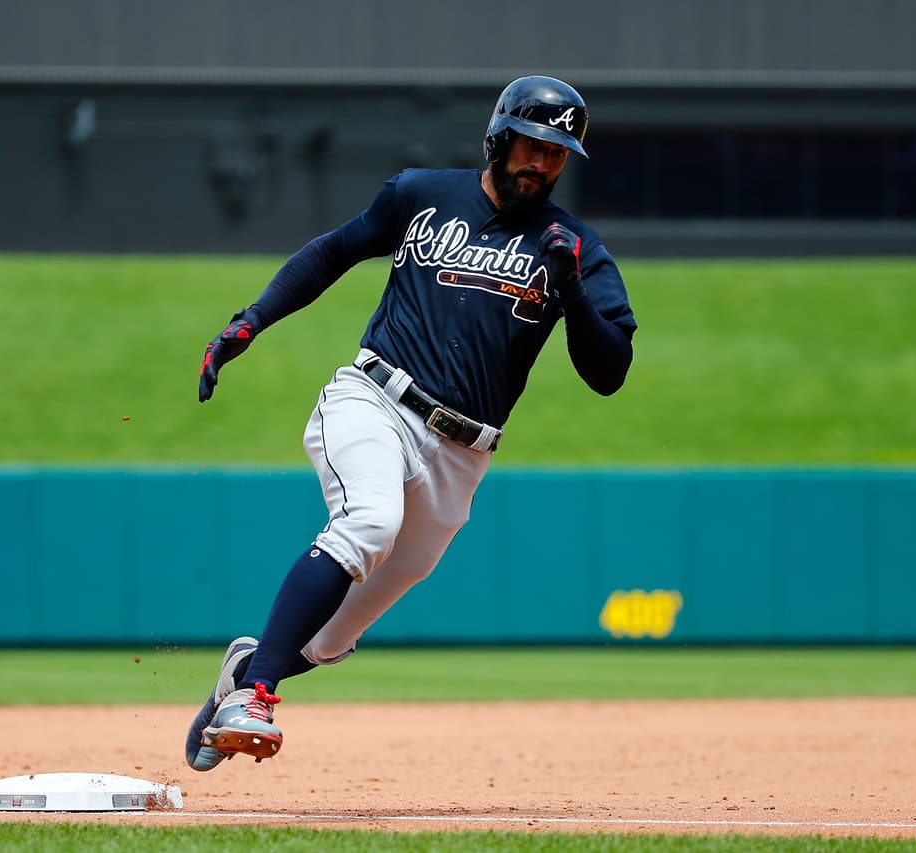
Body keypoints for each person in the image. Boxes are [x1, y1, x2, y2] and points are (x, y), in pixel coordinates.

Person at [185, 76, 637, 771]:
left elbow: (609, 371)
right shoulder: (421, 195)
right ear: (498, 137)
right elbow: (334, 251)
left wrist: (571, 287)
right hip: (377, 400)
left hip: (463, 454)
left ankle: (246, 671)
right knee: (369, 520)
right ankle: (257, 696)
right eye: (532, 144)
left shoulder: (573, 244)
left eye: (557, 153)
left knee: (330, 638)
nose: (542, 162)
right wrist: (251, 321)